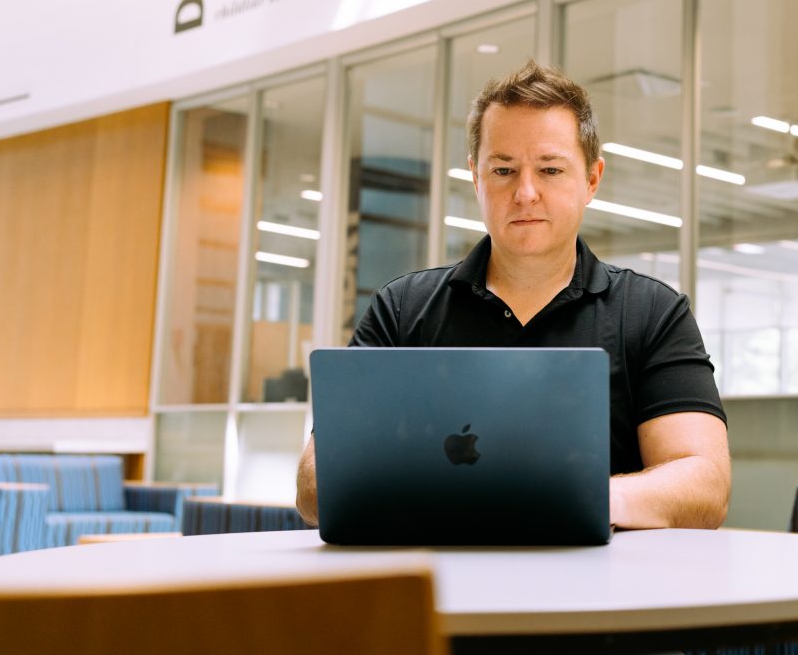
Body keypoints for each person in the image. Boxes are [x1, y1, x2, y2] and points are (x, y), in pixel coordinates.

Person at [295, 60, 730, 530]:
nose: (525, 193)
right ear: (476, 177)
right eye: (503, 169)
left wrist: (570, 496)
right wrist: (479, 499)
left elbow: (705, 486)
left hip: (596, 592)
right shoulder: (402, 310)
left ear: (592, 179)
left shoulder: (653, 313)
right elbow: (315, 488)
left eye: (549, 169)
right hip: (437, 588)